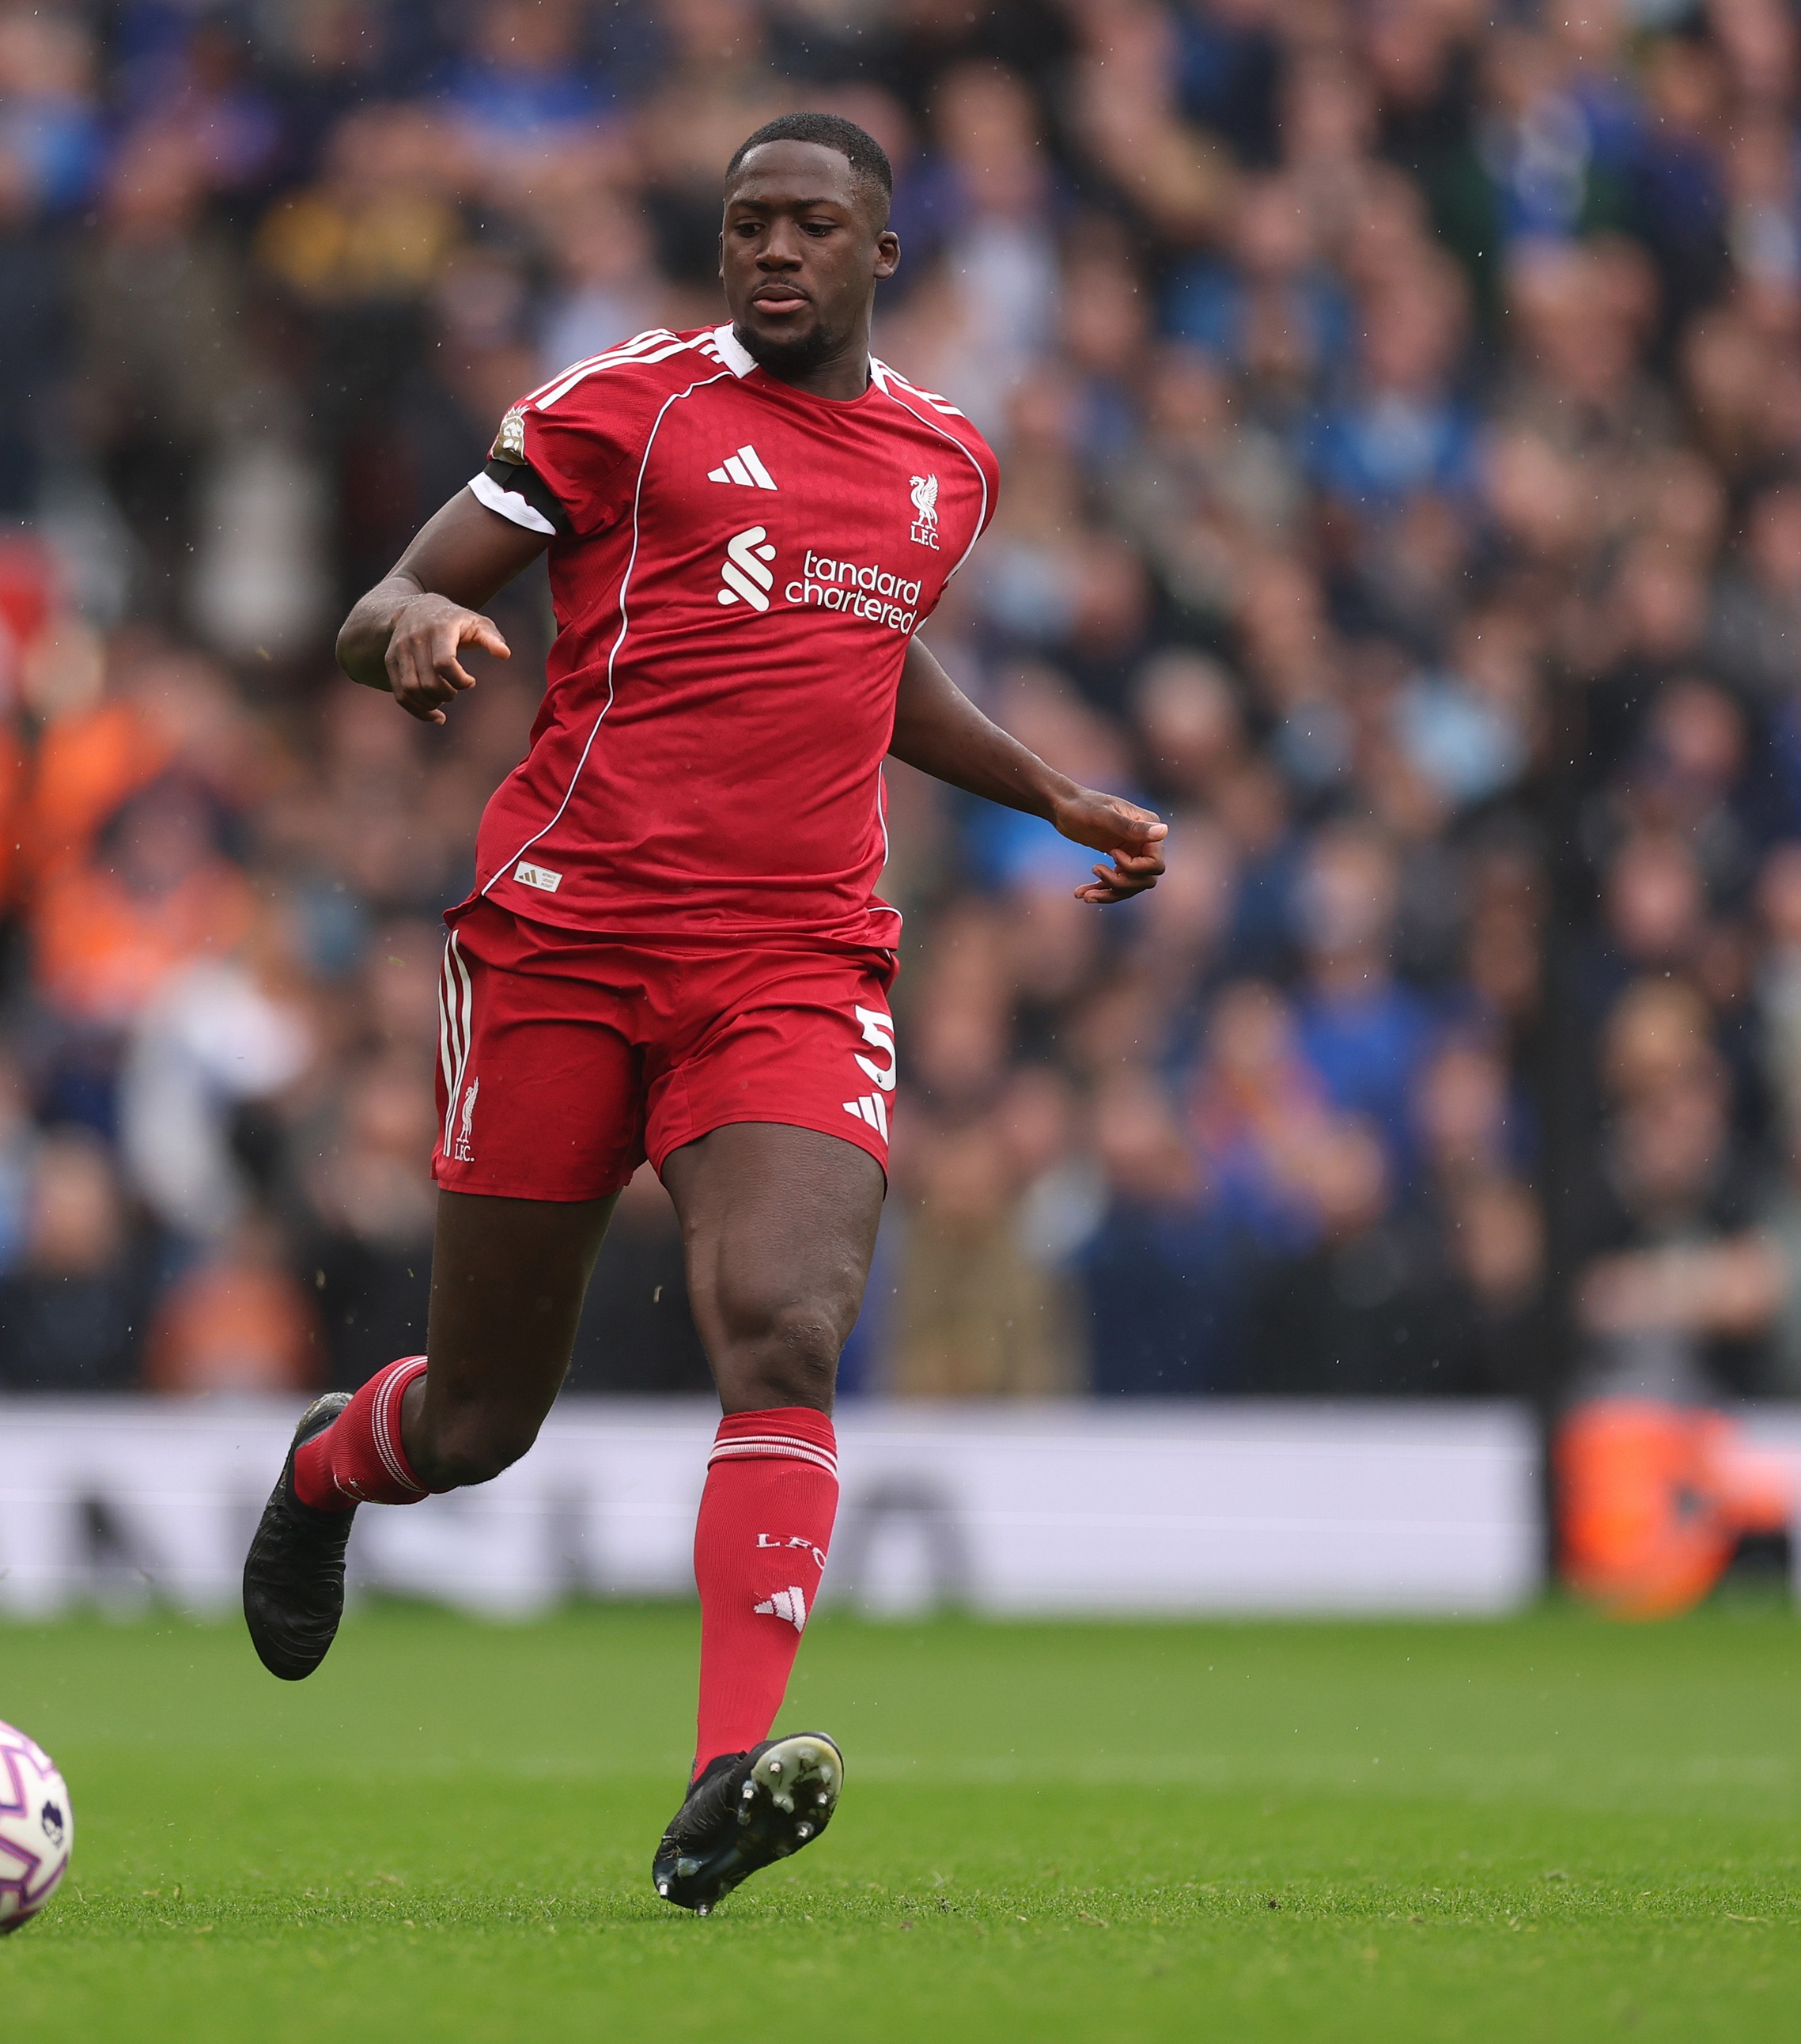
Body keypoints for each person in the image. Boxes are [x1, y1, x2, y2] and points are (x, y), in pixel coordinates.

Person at [237, 114, 1166, 1916]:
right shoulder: (623, 407)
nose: (774, 251)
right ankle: (337, 1458)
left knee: (786, 1325)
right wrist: (417, 630)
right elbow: (390, 595)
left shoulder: (946, 462)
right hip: (562, 947)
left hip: (795, 959)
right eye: (748, 224)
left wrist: (1046, 789)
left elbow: (866, 646)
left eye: (813, 224)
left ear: (884, 252)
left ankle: (722, 1771)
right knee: (485, 1417)